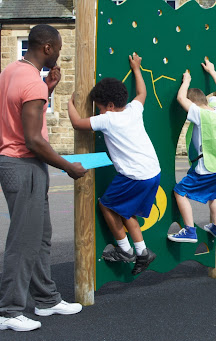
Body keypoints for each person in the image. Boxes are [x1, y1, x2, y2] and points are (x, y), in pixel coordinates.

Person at [0, 24, 86, 332]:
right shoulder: (32, 85)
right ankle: (9, 311)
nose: (60, 54)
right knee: (24, 240)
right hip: (23, 164)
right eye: (59, 49)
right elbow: (34, 140)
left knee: (41, 235)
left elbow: (15, 111)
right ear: (47, 48)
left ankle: (46, 299)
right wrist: (68, 166)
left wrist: (48, 88)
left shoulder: (12, 71)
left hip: (14, 163)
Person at [68, 52, 160, 275]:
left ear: (109, 105)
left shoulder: (108, 118)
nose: (98, 111)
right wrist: (137, 68)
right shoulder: (133, 110)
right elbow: (142, 92)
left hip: (133, 176)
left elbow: (78, 124)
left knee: (107, 205)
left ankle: (125, 250)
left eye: (99, 107)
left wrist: (69, 103)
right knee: (126, 212)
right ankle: (142, 252)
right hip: (152, 172)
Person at [168, 58, 216, 242]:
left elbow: (181, 98)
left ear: (193, 103)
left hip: (209, 166)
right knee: (214, 194)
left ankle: (189, 230)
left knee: (179, 191)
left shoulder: (199, 113)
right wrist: (212, 70)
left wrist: (186, 81)